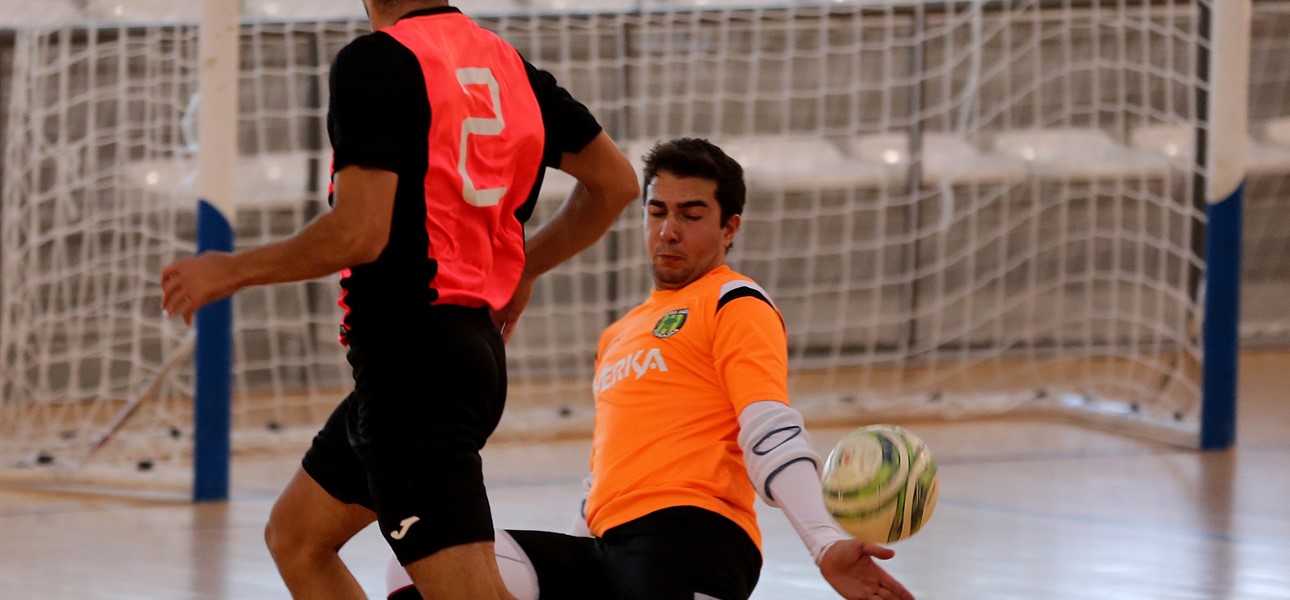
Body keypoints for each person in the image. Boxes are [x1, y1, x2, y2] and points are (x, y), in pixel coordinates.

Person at [159, 0, 639, 597]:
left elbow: (358, 233)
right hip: (460, 358)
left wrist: (231, 271)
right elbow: (616, 183)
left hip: (414, 373)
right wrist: (523, 266)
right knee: (297, 537)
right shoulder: (506, 63)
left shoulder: (376, 61)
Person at [385, 138, 915, 600]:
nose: (668, 231)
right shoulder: (618, 334)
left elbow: (769, 428)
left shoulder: (734, 300)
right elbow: (603, 477)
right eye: (657, 211)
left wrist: (824, 542)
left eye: (691, 214)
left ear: (729, 227)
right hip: (606, 550)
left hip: (691, 540)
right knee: (423, 560)